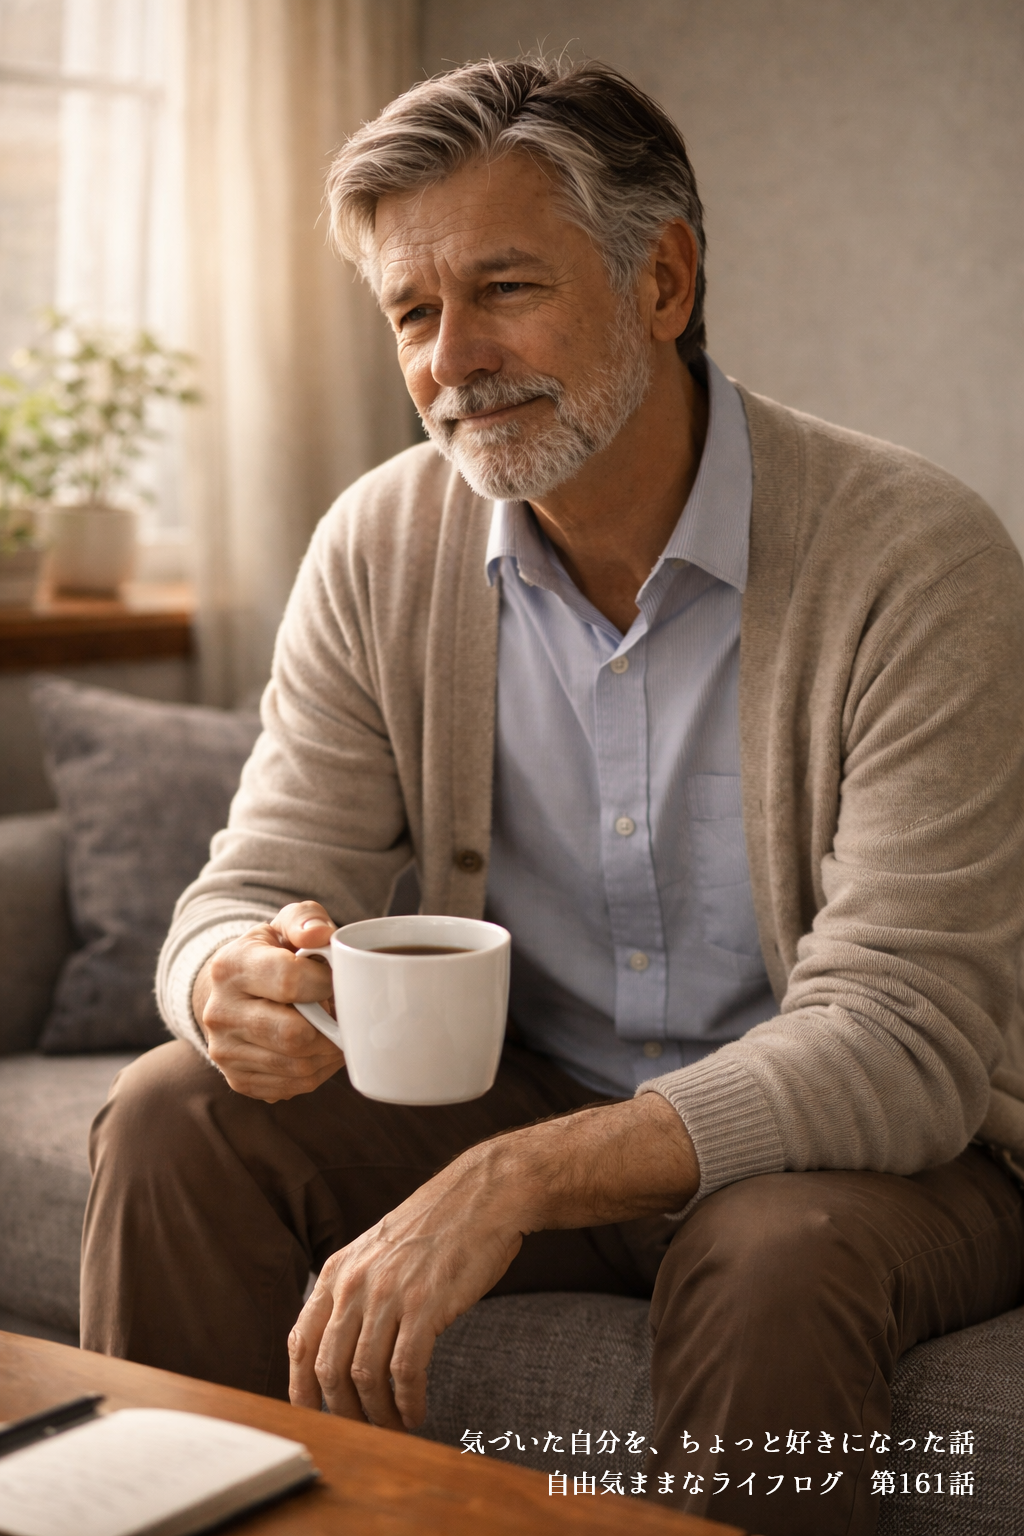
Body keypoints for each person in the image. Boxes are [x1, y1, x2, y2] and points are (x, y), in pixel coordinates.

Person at [80, 56, 1024, 1536]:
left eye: (503, 288)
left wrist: (516, 1179)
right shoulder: (377, 548)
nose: (451, 359)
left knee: (771, 1253)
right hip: (539, 1084)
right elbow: (247, 885)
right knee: (174, 1114)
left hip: (875, 1155)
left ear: (665, 279)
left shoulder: (919, 563)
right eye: (410, 312)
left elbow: (903, 1040)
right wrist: (229, 980)